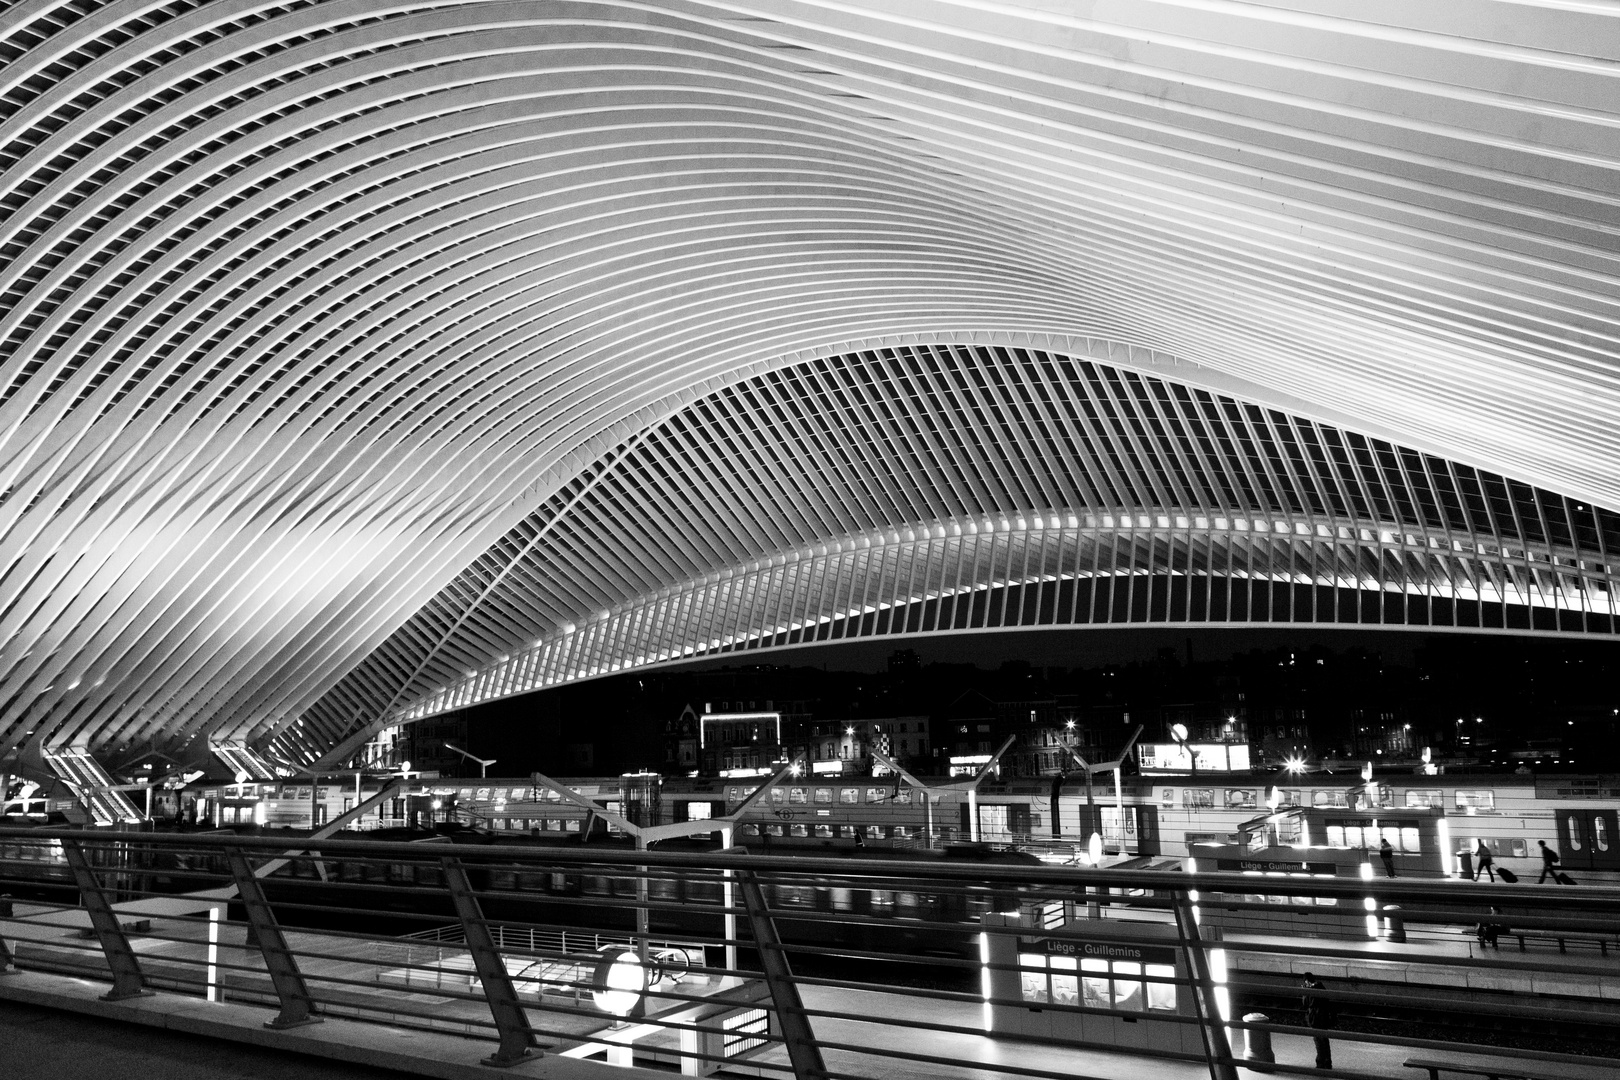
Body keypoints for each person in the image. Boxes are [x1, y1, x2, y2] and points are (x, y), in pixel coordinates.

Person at [1301, 971, 1334, 1069]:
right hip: (1323, 1016)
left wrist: (1305, 992)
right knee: (1324, 1040)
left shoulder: (1310, 989)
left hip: (1315, 1018)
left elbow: (1306, 1004)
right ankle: (1328, 1062)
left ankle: (1320, 1063)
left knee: (1318, 1041)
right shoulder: (1321, 987)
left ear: (1306, 981)